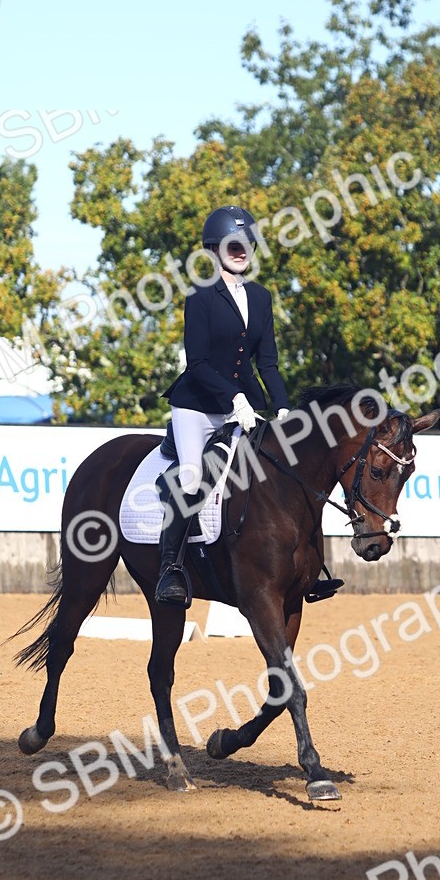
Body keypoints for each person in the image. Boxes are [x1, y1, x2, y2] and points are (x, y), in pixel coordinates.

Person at [155, 205, 290, 605]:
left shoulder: (261, 298)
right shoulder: (200, 297)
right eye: (232, 244)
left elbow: (266, 362)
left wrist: (281, 407)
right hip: (197, 407)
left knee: (275, 473)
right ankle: (171, 569)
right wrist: (233, 398)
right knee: (194, 477)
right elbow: (196, 363)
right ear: (215, 248)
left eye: (246, 242)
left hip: (242, 408)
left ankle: (297, 566)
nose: (240, 249)